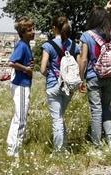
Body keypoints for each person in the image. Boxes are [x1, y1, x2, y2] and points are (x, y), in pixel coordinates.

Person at [78, 7, 111, 151]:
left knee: (96, 110)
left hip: (94, 76)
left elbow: (83, 59)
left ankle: (96, 145)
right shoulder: (110, 34)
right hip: (110, 75)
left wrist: (80, 78)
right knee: (106, 107)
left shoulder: (86, 36)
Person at [40, 16, 80, 152]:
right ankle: (64, 146)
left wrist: (50, 75)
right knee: (61, 117)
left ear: (54, 28)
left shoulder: (48, 45)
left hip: (53, 84)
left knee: (57, 119)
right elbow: (80, 66)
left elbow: (42, 68)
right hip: (69, 86)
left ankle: (59, 151)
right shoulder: (75, 46)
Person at [6, 16, 35, 157]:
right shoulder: (22, 45)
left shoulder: (25, 44)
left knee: (18, 116)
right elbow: (12, 62)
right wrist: (26, 69)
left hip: (22, 84)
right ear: (23, 32)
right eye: (30, 30)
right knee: (21, 118)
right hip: (21, 85)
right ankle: (15, 151)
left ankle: (11, 145)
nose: (33, 32)